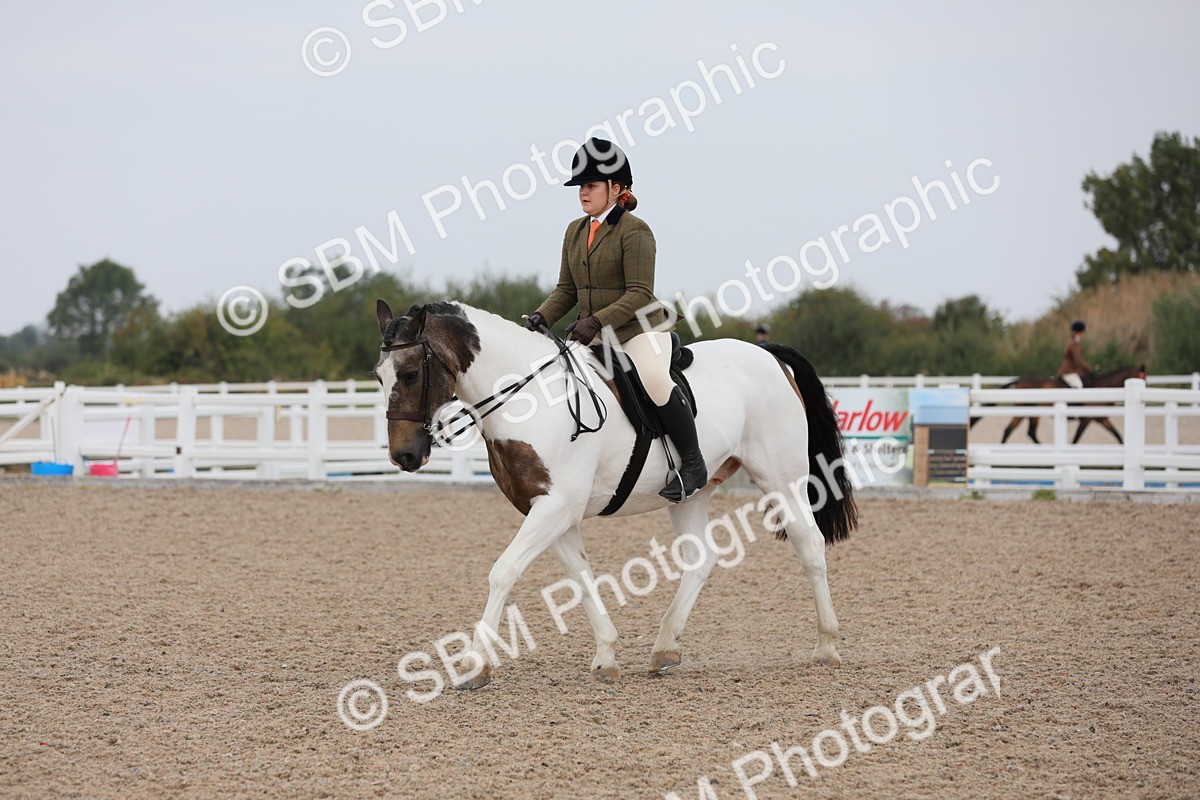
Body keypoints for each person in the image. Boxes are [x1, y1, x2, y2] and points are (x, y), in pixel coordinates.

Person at [524, 138, 707, 502]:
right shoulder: (575, 231)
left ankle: (693, 463)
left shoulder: (635, 230)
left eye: (590, 185)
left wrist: (595, 321)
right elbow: (567, 289)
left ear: (617, 188)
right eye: (580, 186)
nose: (582, 193)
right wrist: (542, 314)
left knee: (654, 379)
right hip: (597, 334)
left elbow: (639, 292)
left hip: (640, 328)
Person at [1057, 320, 1090, 388]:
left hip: (1072, 371)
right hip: (1069, 372)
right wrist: (1087, 368)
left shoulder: (1073, 342)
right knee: (1078, 385)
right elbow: (1077, 360)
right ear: (1079, 332)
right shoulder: (1074, 344)